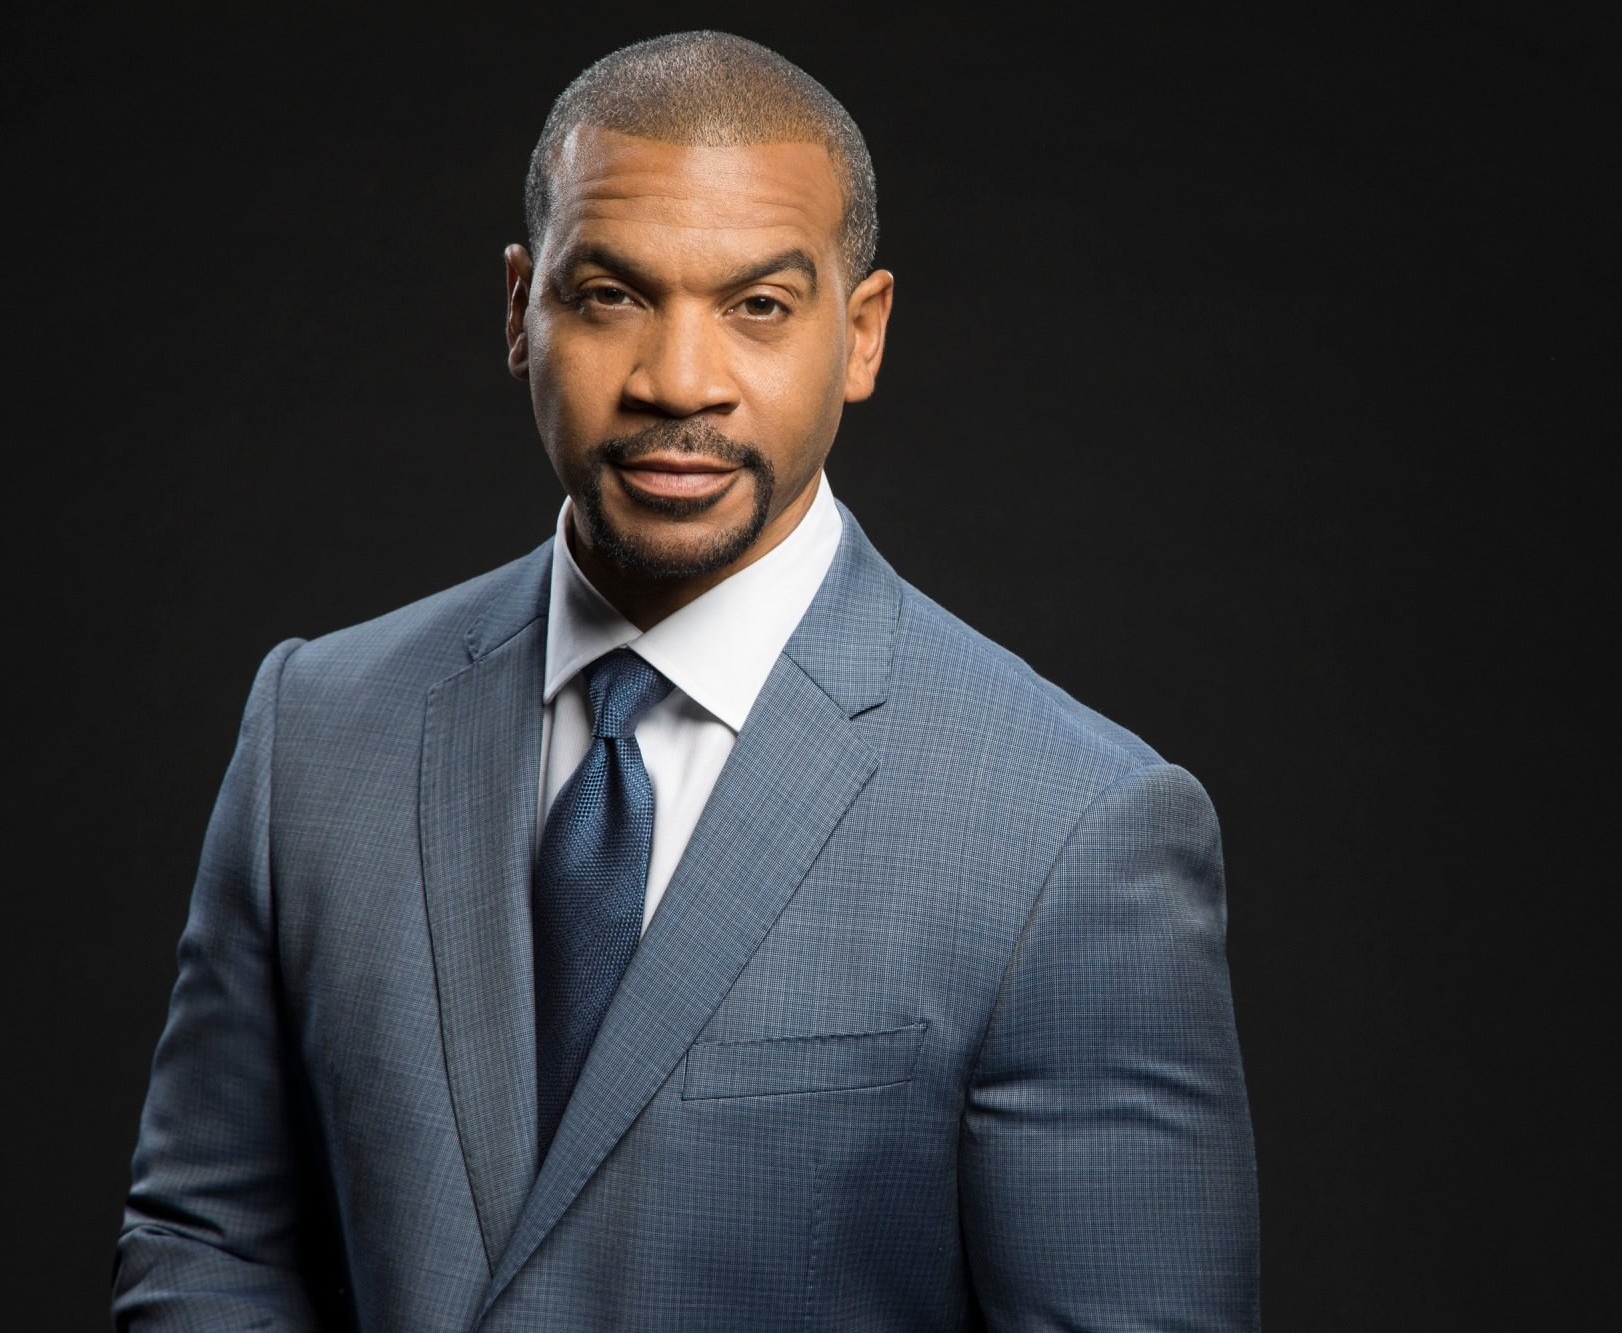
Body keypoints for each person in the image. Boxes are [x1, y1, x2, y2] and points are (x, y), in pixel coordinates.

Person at [114, 30, 1259, 1331]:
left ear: (864, 333)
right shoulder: (317, 731)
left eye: (759, 306)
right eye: (610, 295)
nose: (678, 381)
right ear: (518, 308)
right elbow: (207, 1239)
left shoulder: (1076, 826)